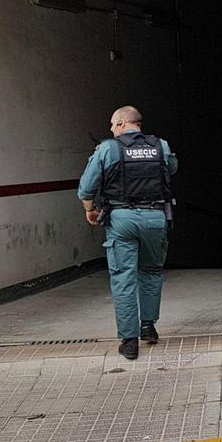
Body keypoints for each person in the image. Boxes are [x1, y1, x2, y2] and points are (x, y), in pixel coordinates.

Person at [78, 106, 178, 361]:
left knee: (123, 277)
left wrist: (90, 210)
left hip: (122, 219)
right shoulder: (161, 146)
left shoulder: (108, 148)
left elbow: (87, 188)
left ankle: (129, 341)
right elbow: (172, 169)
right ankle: (148, 326)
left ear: (122, 122)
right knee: (151, 272)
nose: (111, 130)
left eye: (113, 124)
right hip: (156, 217)